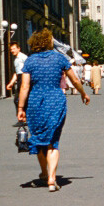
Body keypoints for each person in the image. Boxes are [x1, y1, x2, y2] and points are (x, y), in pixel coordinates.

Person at [17, 29, 89, 192]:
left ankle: (44, 172)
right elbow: (75, 79)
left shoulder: (30, 61)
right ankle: (51, 178)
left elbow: (24, 86)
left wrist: (21, 107)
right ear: (49, 42)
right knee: (52, 141)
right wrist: (83, 94)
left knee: (39, 138)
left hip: (35, 102)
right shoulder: (60, 59)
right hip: (56, 100)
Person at [5, 41, 28, 123]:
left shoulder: (23, 57)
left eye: (14, 49)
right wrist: (11, 83)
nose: (12, 51)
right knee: (18, 99)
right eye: (11, 49)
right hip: (19, 78)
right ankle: (22, 117)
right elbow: (16, 72)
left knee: (19, 99)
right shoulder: (16, 60)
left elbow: (29, 68)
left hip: (24, 77)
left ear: (19, 48)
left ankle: (23, 117)